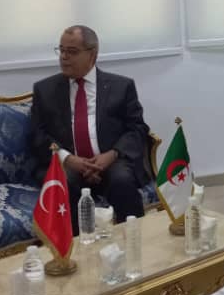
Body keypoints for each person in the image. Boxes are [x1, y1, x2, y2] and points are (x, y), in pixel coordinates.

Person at [29, 25, 151, 233]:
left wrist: (111, 155)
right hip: (67, 164)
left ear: (92, 54)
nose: (64, 57)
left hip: (111, 161)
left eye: (72, 51)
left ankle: (134, 239)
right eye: (61, 50)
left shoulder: (121, 87)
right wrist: (68, 158)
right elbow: (37, 135)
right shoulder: (45, 89)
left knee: (122, 180)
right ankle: (74, 247)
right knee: (64, 182)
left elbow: (137, 129)